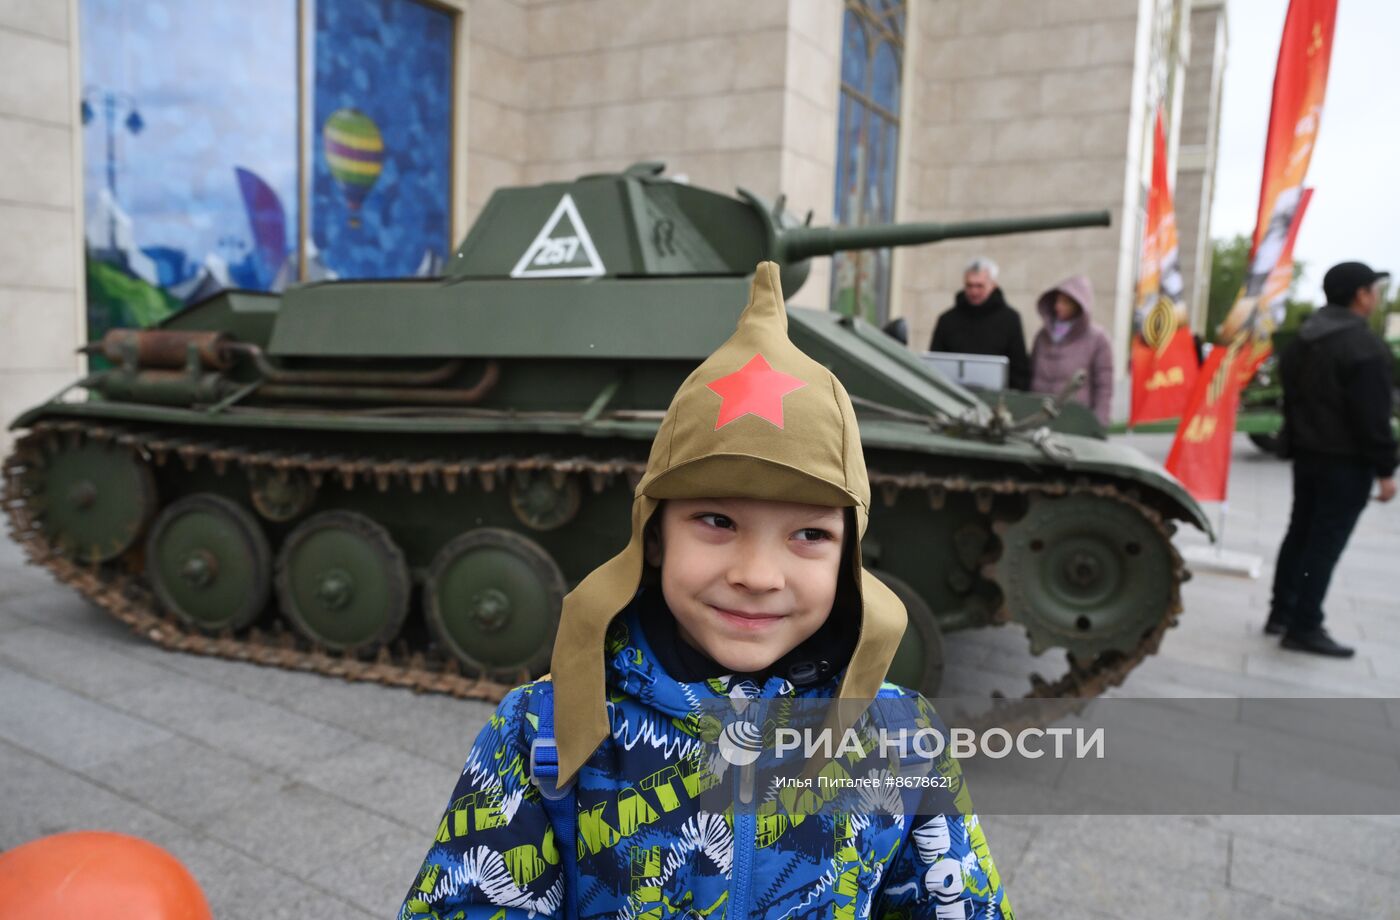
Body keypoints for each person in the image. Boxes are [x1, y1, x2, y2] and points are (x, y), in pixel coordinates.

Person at [398, 263, 1012, 918]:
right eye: (717, 521)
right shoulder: (542, 730)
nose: (757, 574)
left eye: (808, 534)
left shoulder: (901, 737)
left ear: (850, 556)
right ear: (654, 536)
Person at [1265, 261, 1396, 657]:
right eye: (1373, 290)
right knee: (1323, 544)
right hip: (1345, 463)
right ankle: (1305, 625)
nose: (1375, 297)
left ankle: (1281, 613)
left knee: (1300, 534)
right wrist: (1387, 470)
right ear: (1360, 294)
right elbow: (1373, 418)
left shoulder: (1302, 339)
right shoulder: (1363, 346)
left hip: (1307, 456)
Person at [929, 257, 1031, 390]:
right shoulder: (947, 320)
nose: (974, 291)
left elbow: (1019, 368)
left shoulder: (1010, 320)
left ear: (993, 285)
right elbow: (935, 363)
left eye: (980, 286)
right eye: (969, 285)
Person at [1029, 275, 1114, 425]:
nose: (1058, 306)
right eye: (1057, 300)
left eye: (1065, 302)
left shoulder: (1098, 339)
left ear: (1078, 305)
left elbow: (1104, 386)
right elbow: (1031, 373)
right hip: (1040, 415)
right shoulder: (1043, 335)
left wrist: (1099, 423)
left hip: (1075, 419)